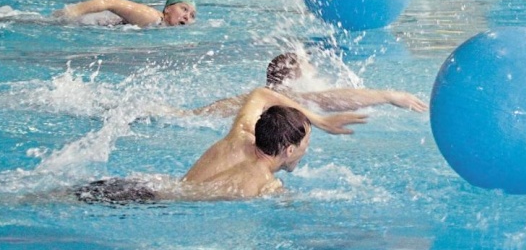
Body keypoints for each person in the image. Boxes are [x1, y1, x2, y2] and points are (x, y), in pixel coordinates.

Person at [75, 87, 367, 202]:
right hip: (149, 204)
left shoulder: (239, 135)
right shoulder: (267, 186)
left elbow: (261, 93)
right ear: (289, 150)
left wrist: (318, 119)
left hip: (138, 184)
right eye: (306, 144)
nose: (306, 151)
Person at [190, 52, 428, 117]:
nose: (316, 73)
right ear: (293, 76)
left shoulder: (258, 97)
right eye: (309, 68)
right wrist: (388, 96)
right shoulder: (283, 96)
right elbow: (324, 100)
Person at [53, 0, 196, 27]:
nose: (187, 16)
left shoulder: (160, 24)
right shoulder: (151, 17)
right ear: (168, 9)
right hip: (76, 21)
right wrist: (72, 12)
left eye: (192, 15)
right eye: (184, 9)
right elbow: (109, 1)